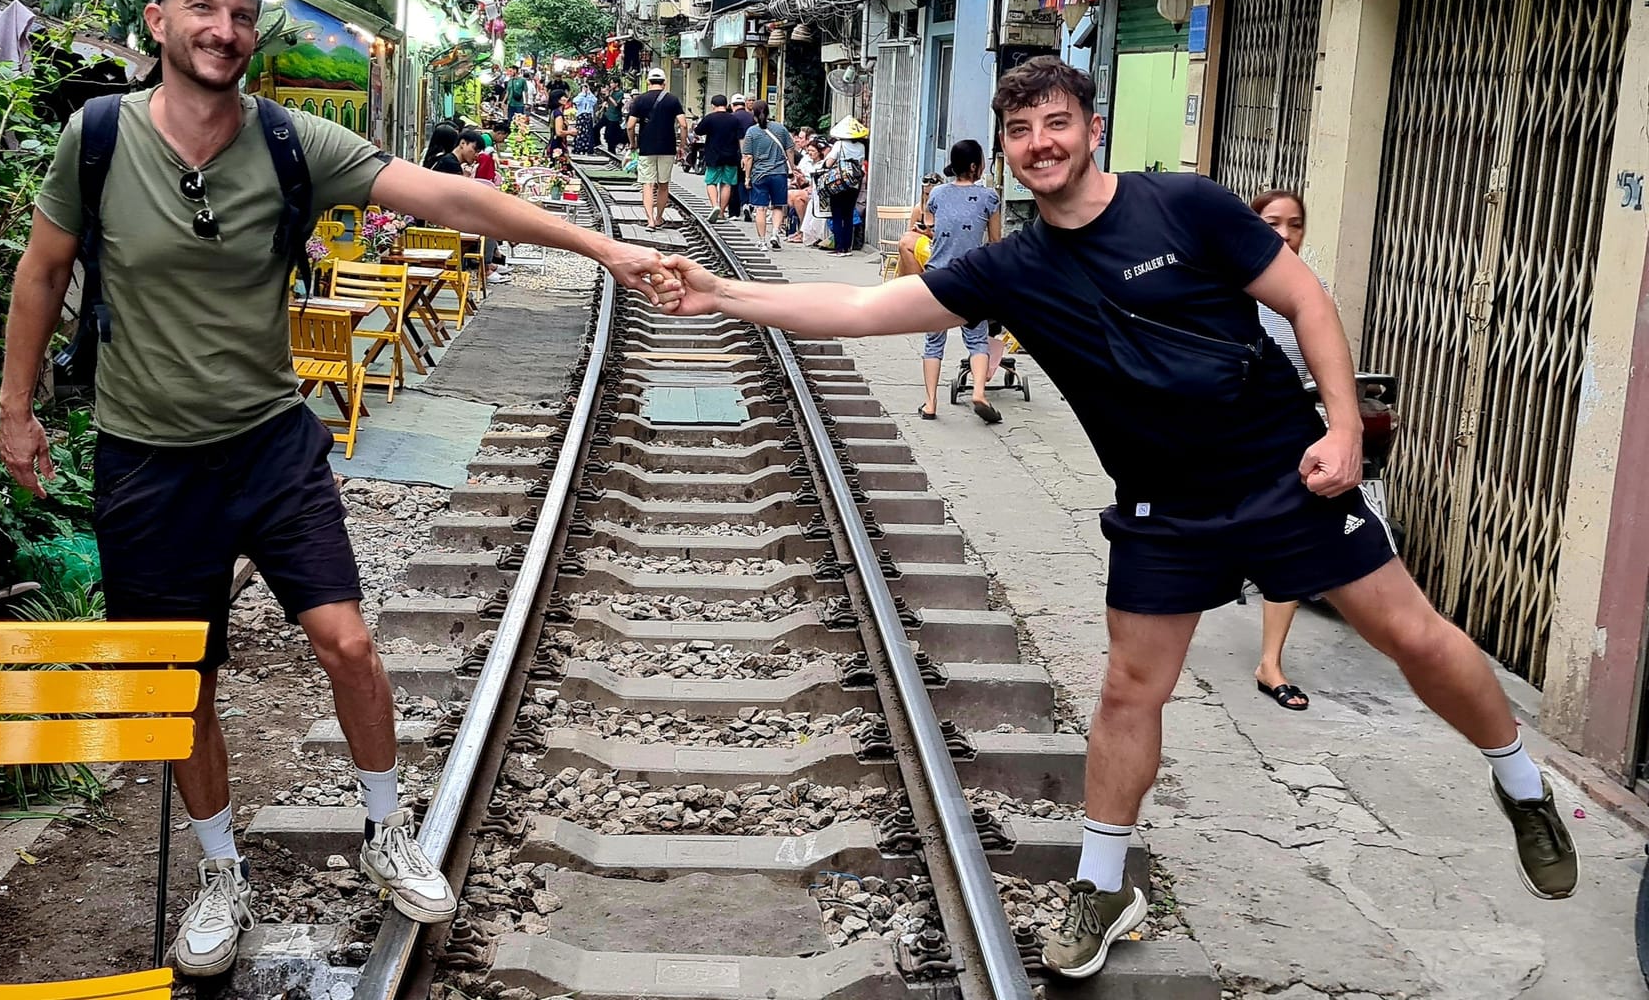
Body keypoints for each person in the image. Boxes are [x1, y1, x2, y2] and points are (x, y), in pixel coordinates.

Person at [651, 54, 1577, 981]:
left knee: (1410, 635)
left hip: (1284, 471)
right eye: (1020, 131)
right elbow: (858, 307)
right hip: (1161, 505)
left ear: (1091, 129)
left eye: (1055, 122)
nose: (1039, 143)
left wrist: (1342, 428)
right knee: (1130, 691)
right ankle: (1103, 884)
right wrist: (723, 294)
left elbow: (1306, 300)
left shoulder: (1188, 206)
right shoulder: (1010, 269)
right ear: (1006, 152)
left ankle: (1520, 783)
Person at [0, 0, 674, 978]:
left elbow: (445, 198)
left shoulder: (290, 142)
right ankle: (222, 874)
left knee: (349, 645)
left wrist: (600, 245)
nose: (225, 27)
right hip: (147, 460)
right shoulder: (95, 139)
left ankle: (386, 831)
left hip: (271, 445)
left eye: (240, 12)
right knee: (185, 688)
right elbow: (40, 277)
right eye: (202, 8)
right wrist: (15, 412)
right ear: (160, 25)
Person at [1247, 188, 1332, 713]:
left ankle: (1270, 663)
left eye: (1294, 224)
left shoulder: (1313, 292)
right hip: (1232, 435)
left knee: (1289, 544)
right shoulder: (1226, 290)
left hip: (1295, 434)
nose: (1283, 234)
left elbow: (1328, 365)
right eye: (1271, 222)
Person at [914, 142, 1002, 423]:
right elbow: (996, 242)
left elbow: (929, 225)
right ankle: (978, 392)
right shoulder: (989, 197)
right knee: (977, 340)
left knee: (933, 342)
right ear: (975, 166)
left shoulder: (938, 193)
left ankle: (930, 403)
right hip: (972, 276)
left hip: (937, 276)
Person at [625, 67, 687, 229]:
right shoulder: (673, 100)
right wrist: (682, 145)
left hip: (646, 147)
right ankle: (659, 217)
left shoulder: (639, 100)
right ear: (664, 83)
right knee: (663, 184)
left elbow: (630, 126)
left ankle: (650, 220)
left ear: (648, 82)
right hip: (667, 147)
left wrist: (632, 143)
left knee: (647, 184)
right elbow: (683, 124)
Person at [741, 102, 794, 252]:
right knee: (778, 205)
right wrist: (793, 167)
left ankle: (762, 241)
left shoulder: (751, 132)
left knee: (760, 209)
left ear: (754, 114)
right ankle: (775, 234)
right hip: (779, 173)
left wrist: (747, 177)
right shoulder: (780, 128)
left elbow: (748, 157)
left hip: (759, 174)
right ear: (769, 112)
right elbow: (790, 149)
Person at [694, 95, 745, 223]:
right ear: (726, 105)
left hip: (713, 155)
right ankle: (722, 212)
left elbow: (698, 131)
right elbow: (741, 138)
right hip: (731, 156)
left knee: (711, 182)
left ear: (713, 105)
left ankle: (714, 205)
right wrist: (743, 155)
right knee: (726, 183)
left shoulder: (710, 118)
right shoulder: (734, 119)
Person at [821, 117, 868, 255]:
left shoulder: (839, 144)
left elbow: (829, 163)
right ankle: (848, 247)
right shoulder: (861, 146)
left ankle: (839, 247)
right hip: (854, 184)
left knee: (836, 215)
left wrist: (824, 165)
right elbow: (859, 164)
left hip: (839, 183)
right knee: (848, 215)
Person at [795, 138, 829, 246]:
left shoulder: (823, 164)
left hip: (818, 193)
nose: (810, 153)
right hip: (810, 190)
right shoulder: (806, 160)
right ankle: (803, 232)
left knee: (799, 198)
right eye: (808, 151)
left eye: (813, 151)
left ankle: (804, 232)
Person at [599, 86, 627, 157]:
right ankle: (599, 145)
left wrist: (609, 96)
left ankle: (612, 152)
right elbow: (605, 100)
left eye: (612, 83)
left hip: (615, 118)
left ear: (616, 84)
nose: (611, 85)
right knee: (599, 129)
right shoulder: (611, 92)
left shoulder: (620, 93)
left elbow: (616, 105)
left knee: (612, 136)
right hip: (608, 115)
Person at [574, 84, 599, 152]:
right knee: (580, 132)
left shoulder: (590, 97)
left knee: (588, 132)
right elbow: (576, 101)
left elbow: (594, 101)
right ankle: (579, 147)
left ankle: (588, 148)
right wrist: (582, 94)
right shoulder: (579, 96)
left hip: (588, 115)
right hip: (581, 115)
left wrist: (589, 93)